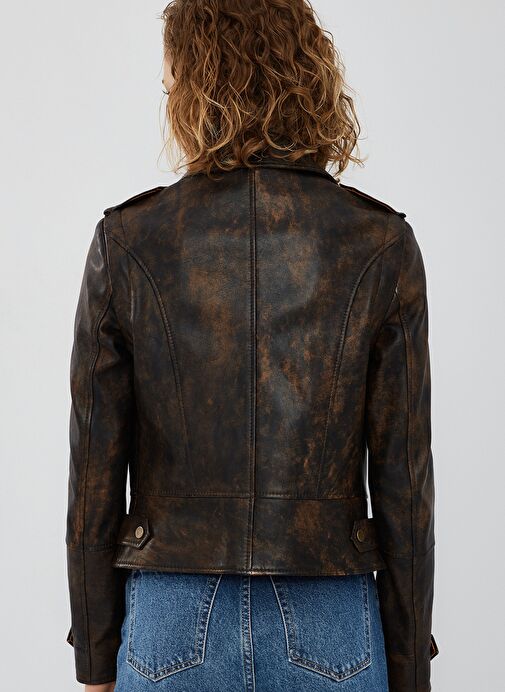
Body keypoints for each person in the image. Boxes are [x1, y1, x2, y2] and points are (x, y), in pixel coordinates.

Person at [65, 1, 438, 691]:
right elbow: (404, 482)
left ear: (196, 89)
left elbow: (93, 471)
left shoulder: (128, 241)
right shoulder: (379, 243)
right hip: (329, 615)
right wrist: (410, 665)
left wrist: (94, 653)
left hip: (171, 617)